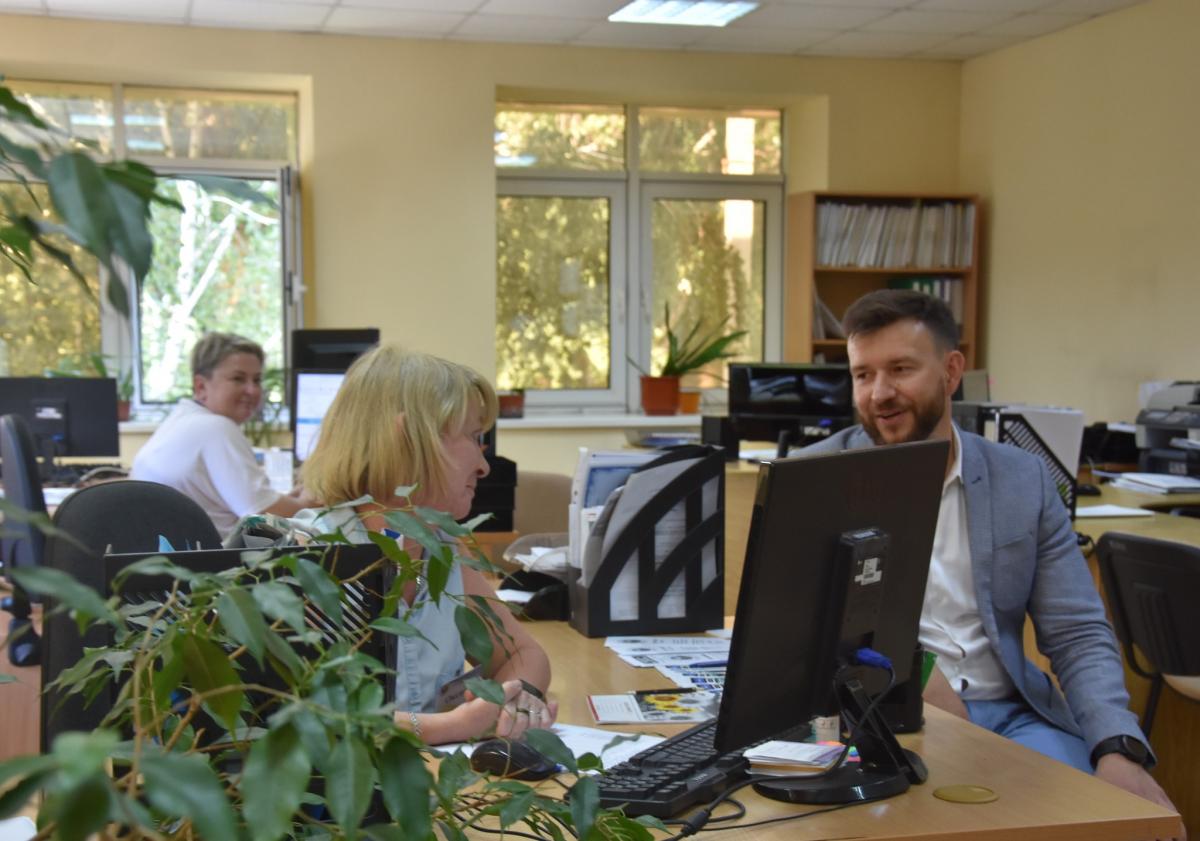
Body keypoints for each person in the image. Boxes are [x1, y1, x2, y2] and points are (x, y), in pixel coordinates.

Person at [804, 289, 1181, 818]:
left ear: (951, 371)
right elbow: (802, 633)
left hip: (1015, 715)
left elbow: (1076, 631)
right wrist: (921, 680)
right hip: (883, 719)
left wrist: (1117, 746)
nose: (880, 393)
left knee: (1098, 815)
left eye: (901, 369)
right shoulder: (817, 478)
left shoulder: (1022, 479)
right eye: (863, 375)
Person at [298, 344, 557, 745]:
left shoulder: (441, 548)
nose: (484, 466)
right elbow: (304, 714)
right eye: (473, 437)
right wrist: (456, 726)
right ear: (408, 440)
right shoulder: (308, 556)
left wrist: (514, 702)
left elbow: (523, 655)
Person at [131, 333, 313, 537]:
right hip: (213, 555)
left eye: (257, 380)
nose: (252, 390)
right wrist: (308, 503)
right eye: (238, 379)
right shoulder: (217, 428)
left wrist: (288, 500)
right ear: (201, 386)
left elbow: (250, 502)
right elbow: (263, 516)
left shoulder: (182, 420)